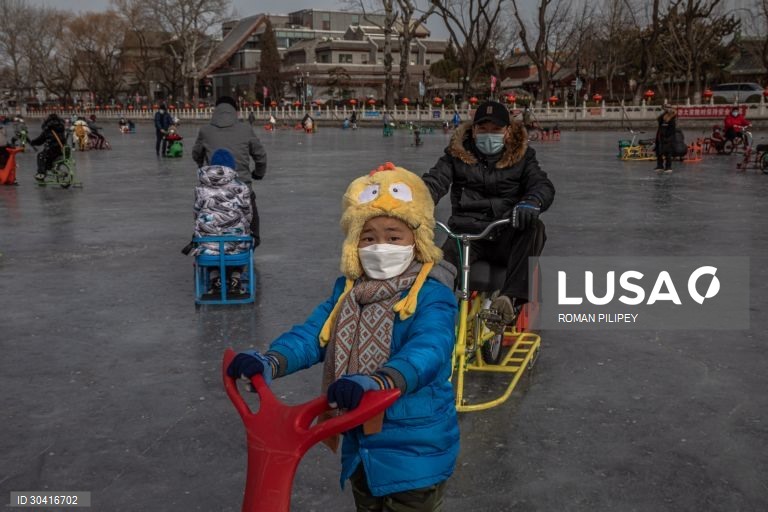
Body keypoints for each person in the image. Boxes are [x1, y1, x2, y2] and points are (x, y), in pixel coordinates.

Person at [227, 163, 459, 510]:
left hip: (415, 451)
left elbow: (430, 348)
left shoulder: (430, 294)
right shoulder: (349, 292)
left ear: (417, 240)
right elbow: (314, 335)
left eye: (394, 237)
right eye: (369, 237)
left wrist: (380, 381)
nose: (380, 247)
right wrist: (271, 361)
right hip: (361, 447)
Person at [422, 100, 555, 324]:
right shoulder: (456, 155)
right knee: (438, 275)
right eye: (483, 129)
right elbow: (435, 181)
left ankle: (509, 299)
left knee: (534, 228)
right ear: (474, 131)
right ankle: (432, 318)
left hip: (506, 230)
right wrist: (412, 197)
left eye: (496, 129)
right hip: (466, 234)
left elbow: (541, 185)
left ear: (507, 131)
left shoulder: (523, 157)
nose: (489, 134)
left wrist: (532, 201)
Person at [192, 95, 267, 247]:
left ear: (215, 111)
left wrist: (202, 166)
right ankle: (250, 243)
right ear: (235, 111)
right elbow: (260, 156)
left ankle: (209, 245)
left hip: (212, 189)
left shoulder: (205, 131)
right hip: (242, 185)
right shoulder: (246, 129)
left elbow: (196, 154)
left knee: (203, 211)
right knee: (251, 215)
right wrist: (258, 173)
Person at [191, 148, 252, 297]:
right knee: (243, 241)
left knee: (209, 242)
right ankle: (235, 278)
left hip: (207, 246)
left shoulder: (201, 189)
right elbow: (248, 215)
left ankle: (215, 279)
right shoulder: (242, 187)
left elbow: (196, 213)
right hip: (236, 244)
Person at [29, 113, 66, 181]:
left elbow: (40, 140)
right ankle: (52, 168)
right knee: (47, 158)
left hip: (52, 150)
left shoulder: (48, 129)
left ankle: (41, 174)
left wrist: (32, 142)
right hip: (61, 150)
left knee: (40, 156)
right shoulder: (61, 128)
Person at [655, 103, 677, 173]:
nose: (666, 108)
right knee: (658, 151)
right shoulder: (663, 116)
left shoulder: (672, 116)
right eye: (665, 107)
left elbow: (672, 130)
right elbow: (659, 121)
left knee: (668, 152)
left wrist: (667, 136)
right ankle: (660, 166)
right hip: (660, 135)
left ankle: (668, 167)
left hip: (668, 137)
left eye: (668, 107)